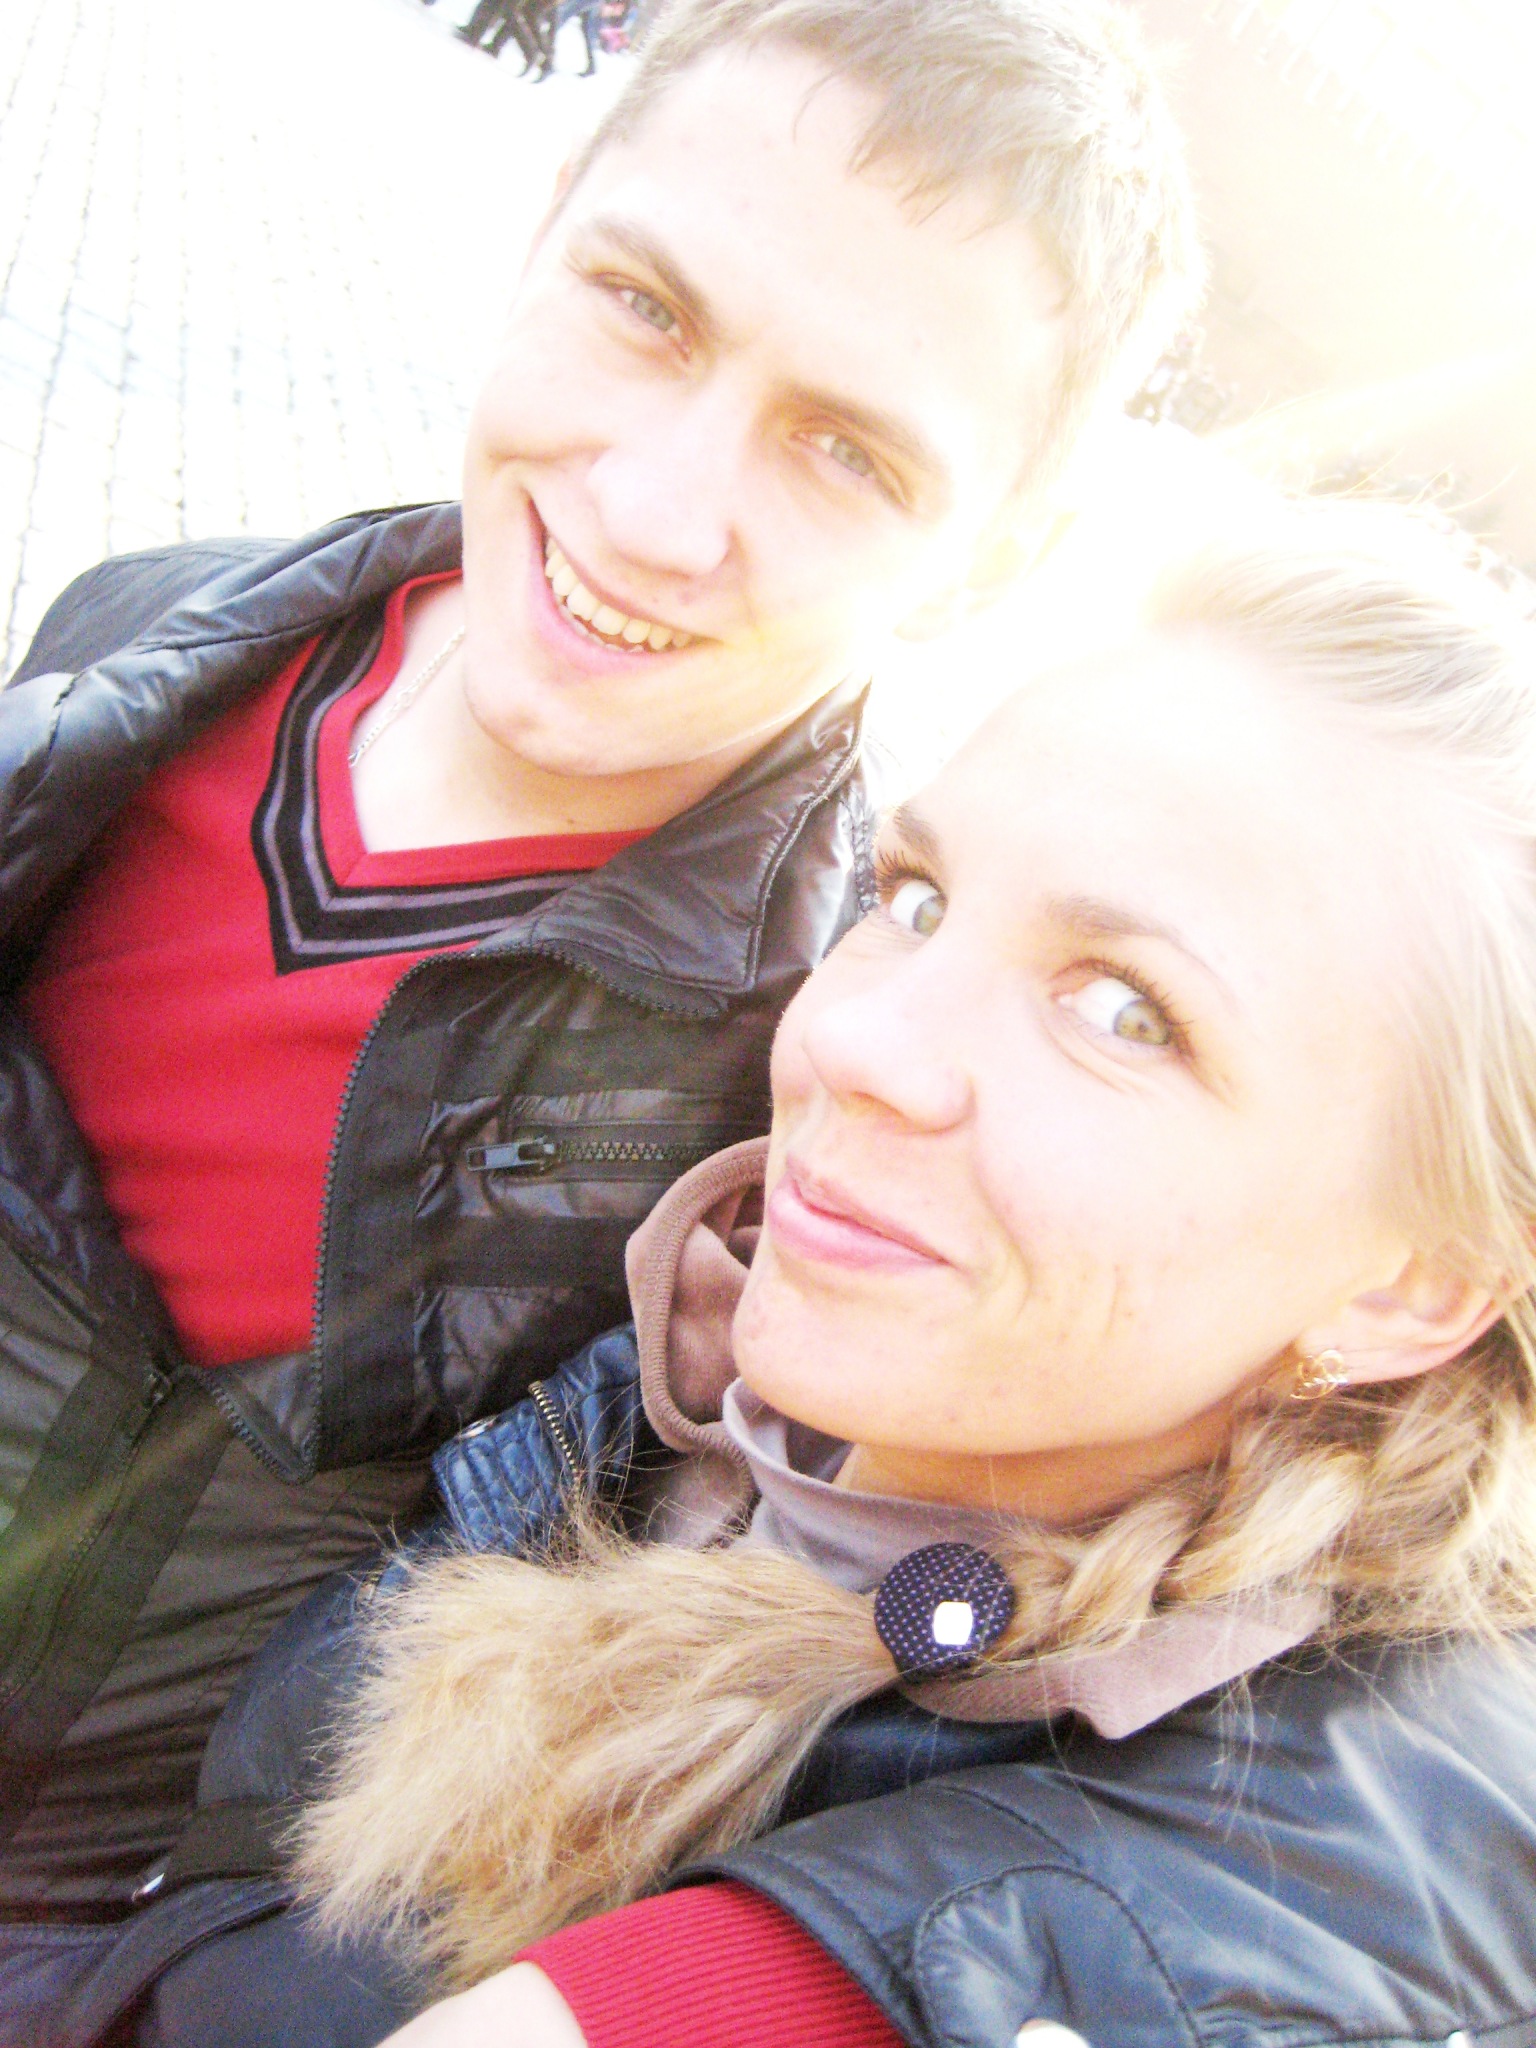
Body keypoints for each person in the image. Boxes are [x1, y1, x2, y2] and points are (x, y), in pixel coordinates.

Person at [0, 0, 1200, 2030]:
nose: (655, 510)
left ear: (1005, 548)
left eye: (848, 451)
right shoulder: (143, 625)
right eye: (645, 307)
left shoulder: (806, 1130)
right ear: (547, 218)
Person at [186, 501, 1536, 2046]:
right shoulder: (679, 1339)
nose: (853, 1041)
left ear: (1408, 1289)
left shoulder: (1293, 1839)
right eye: (915, 901)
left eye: (1128, 1014)